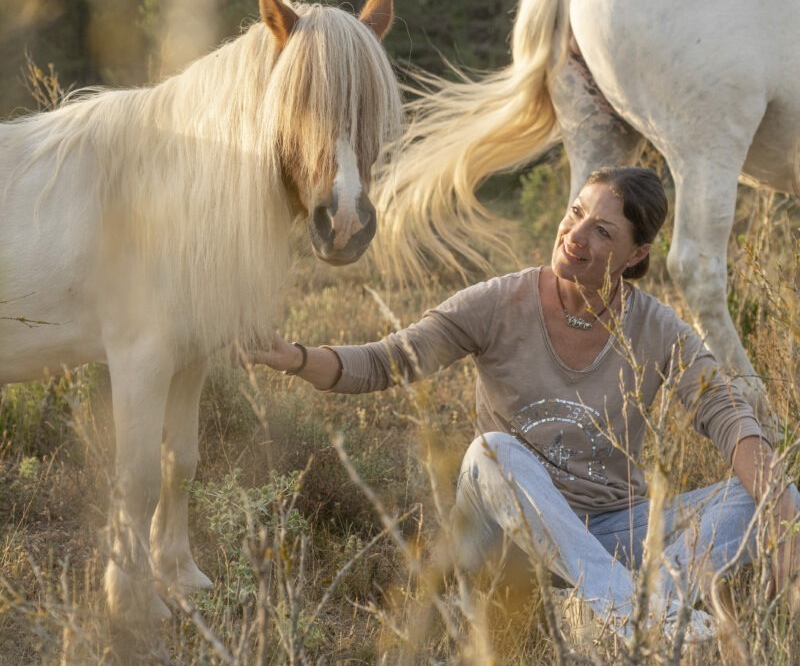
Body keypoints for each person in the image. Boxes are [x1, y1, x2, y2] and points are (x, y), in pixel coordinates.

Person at [242, 166, 798, 647]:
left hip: (608, 532)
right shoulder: (499, 302)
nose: (574, 236)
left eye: (601, 230)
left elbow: (728, 415)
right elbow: (389, 361)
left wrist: (784, 523)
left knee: (777, 495)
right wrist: (294, 357)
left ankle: (609, 609)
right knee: (492, 451)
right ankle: (638, 607)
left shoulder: (656, 328)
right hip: (500, 538)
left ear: (637, 254)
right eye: (575, 213)